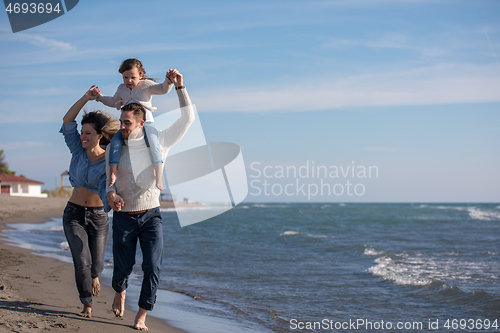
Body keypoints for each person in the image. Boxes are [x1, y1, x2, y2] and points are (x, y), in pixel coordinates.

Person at [106, 69, 194, 331]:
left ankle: (142, 314)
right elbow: (106, 183)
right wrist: (110, 195)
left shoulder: (160, 141)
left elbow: (187, 119)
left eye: (126, 123)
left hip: (150, 215)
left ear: (141, 123)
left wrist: (180, 88)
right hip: (123, 216)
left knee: (152, 267)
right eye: (120, 121)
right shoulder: (114, 146)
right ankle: (120, 290)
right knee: (122, 268)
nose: (121, 126)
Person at [60, 86, 120, 318]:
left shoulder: (111, 159)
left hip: (98, 216)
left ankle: (94, 276)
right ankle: (87, 303)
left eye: (88, 133)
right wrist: (86, 98)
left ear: (100, 135)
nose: (83, 137)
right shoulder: (77, 150)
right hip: (73, 213)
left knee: (97, 266)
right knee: (81, 260)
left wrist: (114, 199)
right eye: (82, 132)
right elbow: (67, 121)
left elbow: (110, 187)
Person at [95, 58, 174, 191]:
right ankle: (113, 174)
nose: (129, 81)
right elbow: (114, 101)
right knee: (114, 143)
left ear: (140, 75)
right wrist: (100, 97)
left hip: (146, 123)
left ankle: (159, 177)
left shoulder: (146, 86)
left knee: (154, 144)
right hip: (128, 126)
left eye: (133, 77)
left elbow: (163, 89)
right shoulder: (121, 89)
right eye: (125, 77)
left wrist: (169, 80)